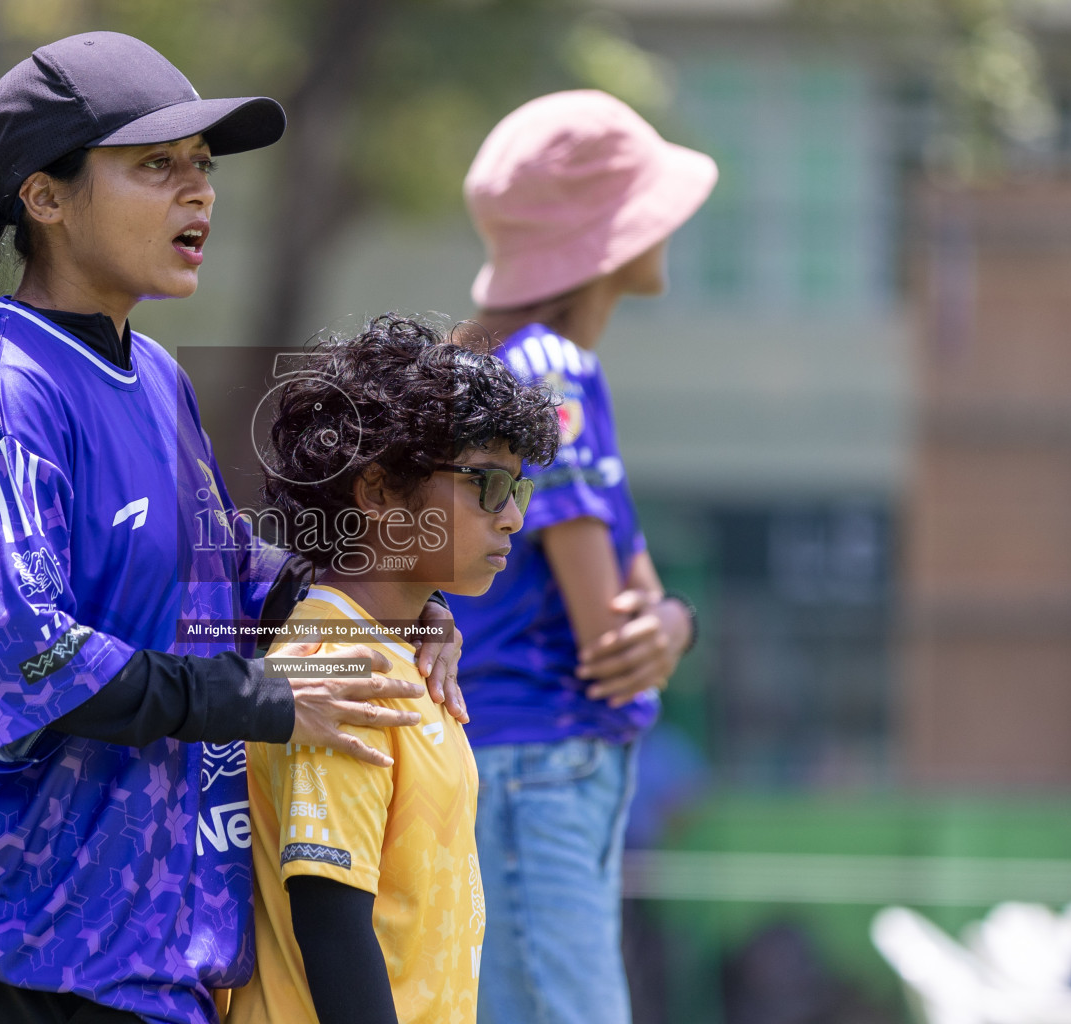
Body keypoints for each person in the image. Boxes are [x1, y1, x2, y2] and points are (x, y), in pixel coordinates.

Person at [0, 33, 466, 1024]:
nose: (199, 195)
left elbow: (225, 578)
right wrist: (258, 698)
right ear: (45, 197)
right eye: (156, 166)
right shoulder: (3, 385)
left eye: (203, 168)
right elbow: (13, 655)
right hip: (28, 956)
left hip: (151, 957)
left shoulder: (158, 379)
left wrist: (377, 610)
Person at [448, 90, 717, 1024]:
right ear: (606, 235)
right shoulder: (554, 371)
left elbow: (646, 604)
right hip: (544, 766)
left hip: (499, 764)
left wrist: (672, 620)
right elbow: (617, 631)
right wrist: (668, 625)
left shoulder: (499, 364)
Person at [227, 316, 559, 1024]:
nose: (512, 520)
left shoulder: (397, 649)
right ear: (378, 492)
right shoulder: (334, 668)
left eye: (519, 489)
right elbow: (331, 921)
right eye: (488, 485)